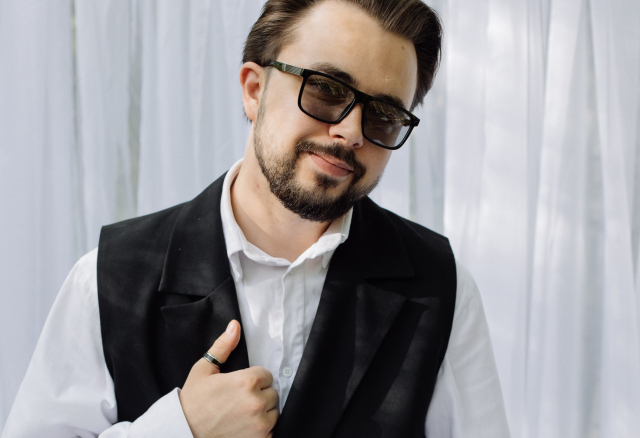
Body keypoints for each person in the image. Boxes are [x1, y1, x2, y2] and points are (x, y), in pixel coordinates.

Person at [2, 1, 511, 437]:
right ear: (253, 89)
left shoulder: (442, 288)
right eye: (327, 88)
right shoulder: (108, 277)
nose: (352, 131)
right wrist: (181, 428)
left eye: (383, 114)